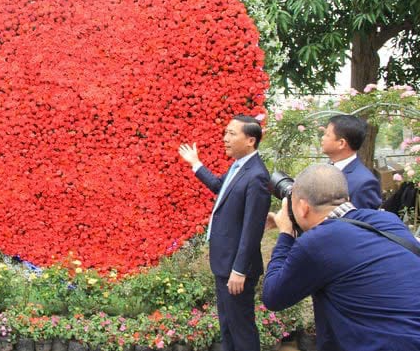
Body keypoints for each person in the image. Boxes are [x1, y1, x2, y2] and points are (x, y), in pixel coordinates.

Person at [263, 164, 420, 351]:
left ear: (303, 207)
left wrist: (286, 233)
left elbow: (273, 296)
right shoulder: (388, 221)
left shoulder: (317, 243)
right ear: (346, 198)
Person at [179, 115, 270, 351]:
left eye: (231, 134)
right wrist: (196, 164)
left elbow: (252, 229)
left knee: (241, 329)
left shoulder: (257, 176)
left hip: (236, 269)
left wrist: (239, 270)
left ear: (250, 140)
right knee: (228, 325)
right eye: (225, 133)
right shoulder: (239, 166)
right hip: (225, 264)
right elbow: (221, 188)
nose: (225, 139)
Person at [321, 114, 382, 209]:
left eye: (327, 135)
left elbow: (361, 222)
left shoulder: (363, 183)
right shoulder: (327, 169)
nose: (323, 138)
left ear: (341, 143)